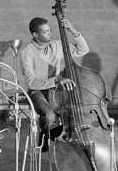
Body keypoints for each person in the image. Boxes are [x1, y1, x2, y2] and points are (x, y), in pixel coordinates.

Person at [19, 16, 89, 152]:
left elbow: (83, 50)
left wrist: (73, 30)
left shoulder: (57, 45)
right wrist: (56, 80)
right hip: (37, 91)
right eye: (45, 32)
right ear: (35, 34)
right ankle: (45, 137)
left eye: (49, 30)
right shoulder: (26, 52)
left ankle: (60, 136)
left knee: (75, 111)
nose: (50, 34)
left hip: (56, 90)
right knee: (49, 116)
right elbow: (31, 82)